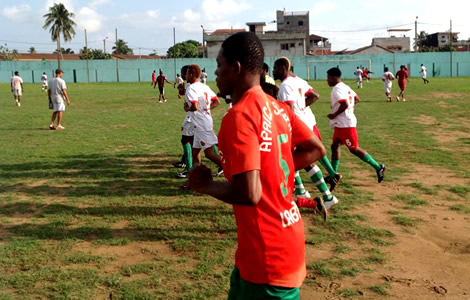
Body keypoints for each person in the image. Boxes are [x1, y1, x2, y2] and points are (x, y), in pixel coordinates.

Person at [188, 31, 326, 300]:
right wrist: (275, 166)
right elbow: (316, 149)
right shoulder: (277, 108)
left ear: (236, 69)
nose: (215, 72)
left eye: (219, 65)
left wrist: (205, 185)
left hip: (269, 258)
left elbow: (250, 193)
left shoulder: (238, 116)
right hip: (268, 247)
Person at [273, 57, 341, 209]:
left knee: (294, 161)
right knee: (298, 161)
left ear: (283, 67)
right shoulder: (297, 80)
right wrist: (302, 108)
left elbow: (288, 111)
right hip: (307, 123)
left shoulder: (284, 86)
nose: (273, 71)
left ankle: (325, 195)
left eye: (275, 68)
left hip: (296, 128)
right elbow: (314, 95)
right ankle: (304, 192)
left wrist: (286, 130)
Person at [327, 67, 386, 184]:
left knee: (354, 149)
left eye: (328, 77)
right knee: (334, 146)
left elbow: (344, 104)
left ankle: (379, 167)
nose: (327, 80)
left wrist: (335, 114)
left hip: (345, 125)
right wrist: (348, 109)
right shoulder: (345, 86)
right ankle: (333, 174)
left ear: (334, 77)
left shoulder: (337, 89)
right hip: (341, 124)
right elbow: (356, 99)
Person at [182, 64, 223, 178]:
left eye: (186, 73)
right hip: (204, 120)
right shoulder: (204, 86)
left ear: (192, 74)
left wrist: (187, 108)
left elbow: (194, 106)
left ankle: (231, 169)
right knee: (195, 153)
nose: (185, 75)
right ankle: (196, 179)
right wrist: (206, 109)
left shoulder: (191, 88)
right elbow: (216, 101)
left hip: (201, 123)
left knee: (209, 153)